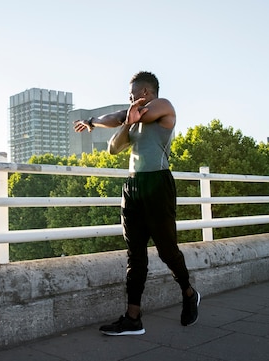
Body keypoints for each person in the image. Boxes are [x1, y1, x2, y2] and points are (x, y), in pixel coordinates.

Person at [73, 71, 200, 336]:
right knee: (135, 255)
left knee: (167, 250)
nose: (129, 100)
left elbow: (126, 113)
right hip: (132, 187)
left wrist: (123, 116)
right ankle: (133, 318)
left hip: (158, 184)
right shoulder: (132, 120)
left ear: (145, 93)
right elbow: (113, 148)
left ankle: (189, 293)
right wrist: (96, 122)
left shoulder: (165, 106)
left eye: (132, 95)